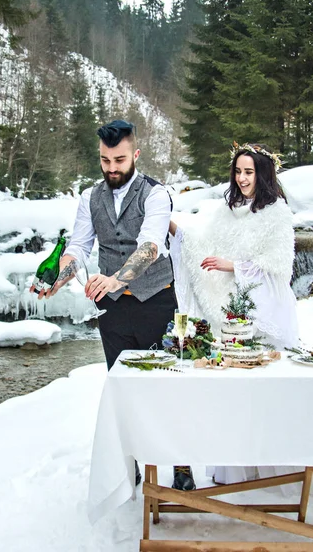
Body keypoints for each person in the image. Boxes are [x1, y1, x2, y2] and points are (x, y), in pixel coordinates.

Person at [30, 119, 196, 491]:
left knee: (169, 386)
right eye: (105, 160)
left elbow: (151, 246)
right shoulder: (91, 197)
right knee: (123, 387)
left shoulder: (155, 194)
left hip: (157, 301)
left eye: (119, 159)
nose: (112, 168)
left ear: (135, 154)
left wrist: (115, 279)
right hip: (113, 309)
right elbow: (78, 246)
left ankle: (182, 466)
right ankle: (133, 461)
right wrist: (57, 278)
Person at [170, 142, 299, 486]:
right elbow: (204, 244)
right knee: (234, 399)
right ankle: (236, 468)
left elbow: (279, 269)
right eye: (238, 171)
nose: (242, 179)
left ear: (263, 174)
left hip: (263, 318)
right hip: (231, 317)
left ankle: (270, 471)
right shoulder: (227, 211)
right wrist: (177, 234)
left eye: (249, 172)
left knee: (263, 397)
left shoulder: (277, 214)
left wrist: (235, 266)